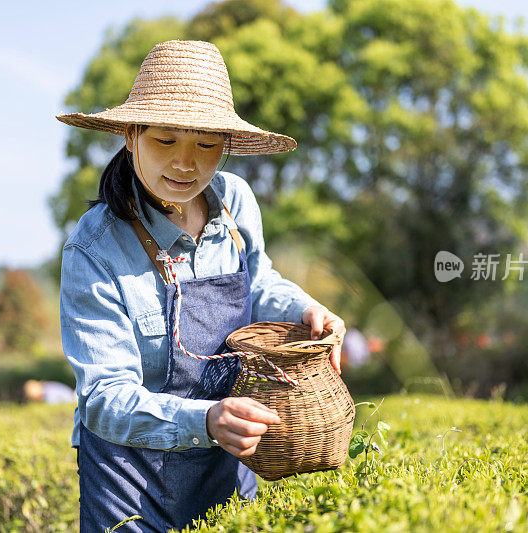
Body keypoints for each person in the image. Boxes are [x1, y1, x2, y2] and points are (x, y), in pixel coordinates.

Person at [56, 40, 346, 532]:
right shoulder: (94, 249)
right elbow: (104, 398)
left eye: (207, 144)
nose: (187, 163)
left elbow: (258, 283)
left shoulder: (234, 202)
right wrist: (206, 421)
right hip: (130, 485)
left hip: (224, 468)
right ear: (131, 136)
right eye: (166, 141)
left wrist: (302, 308)